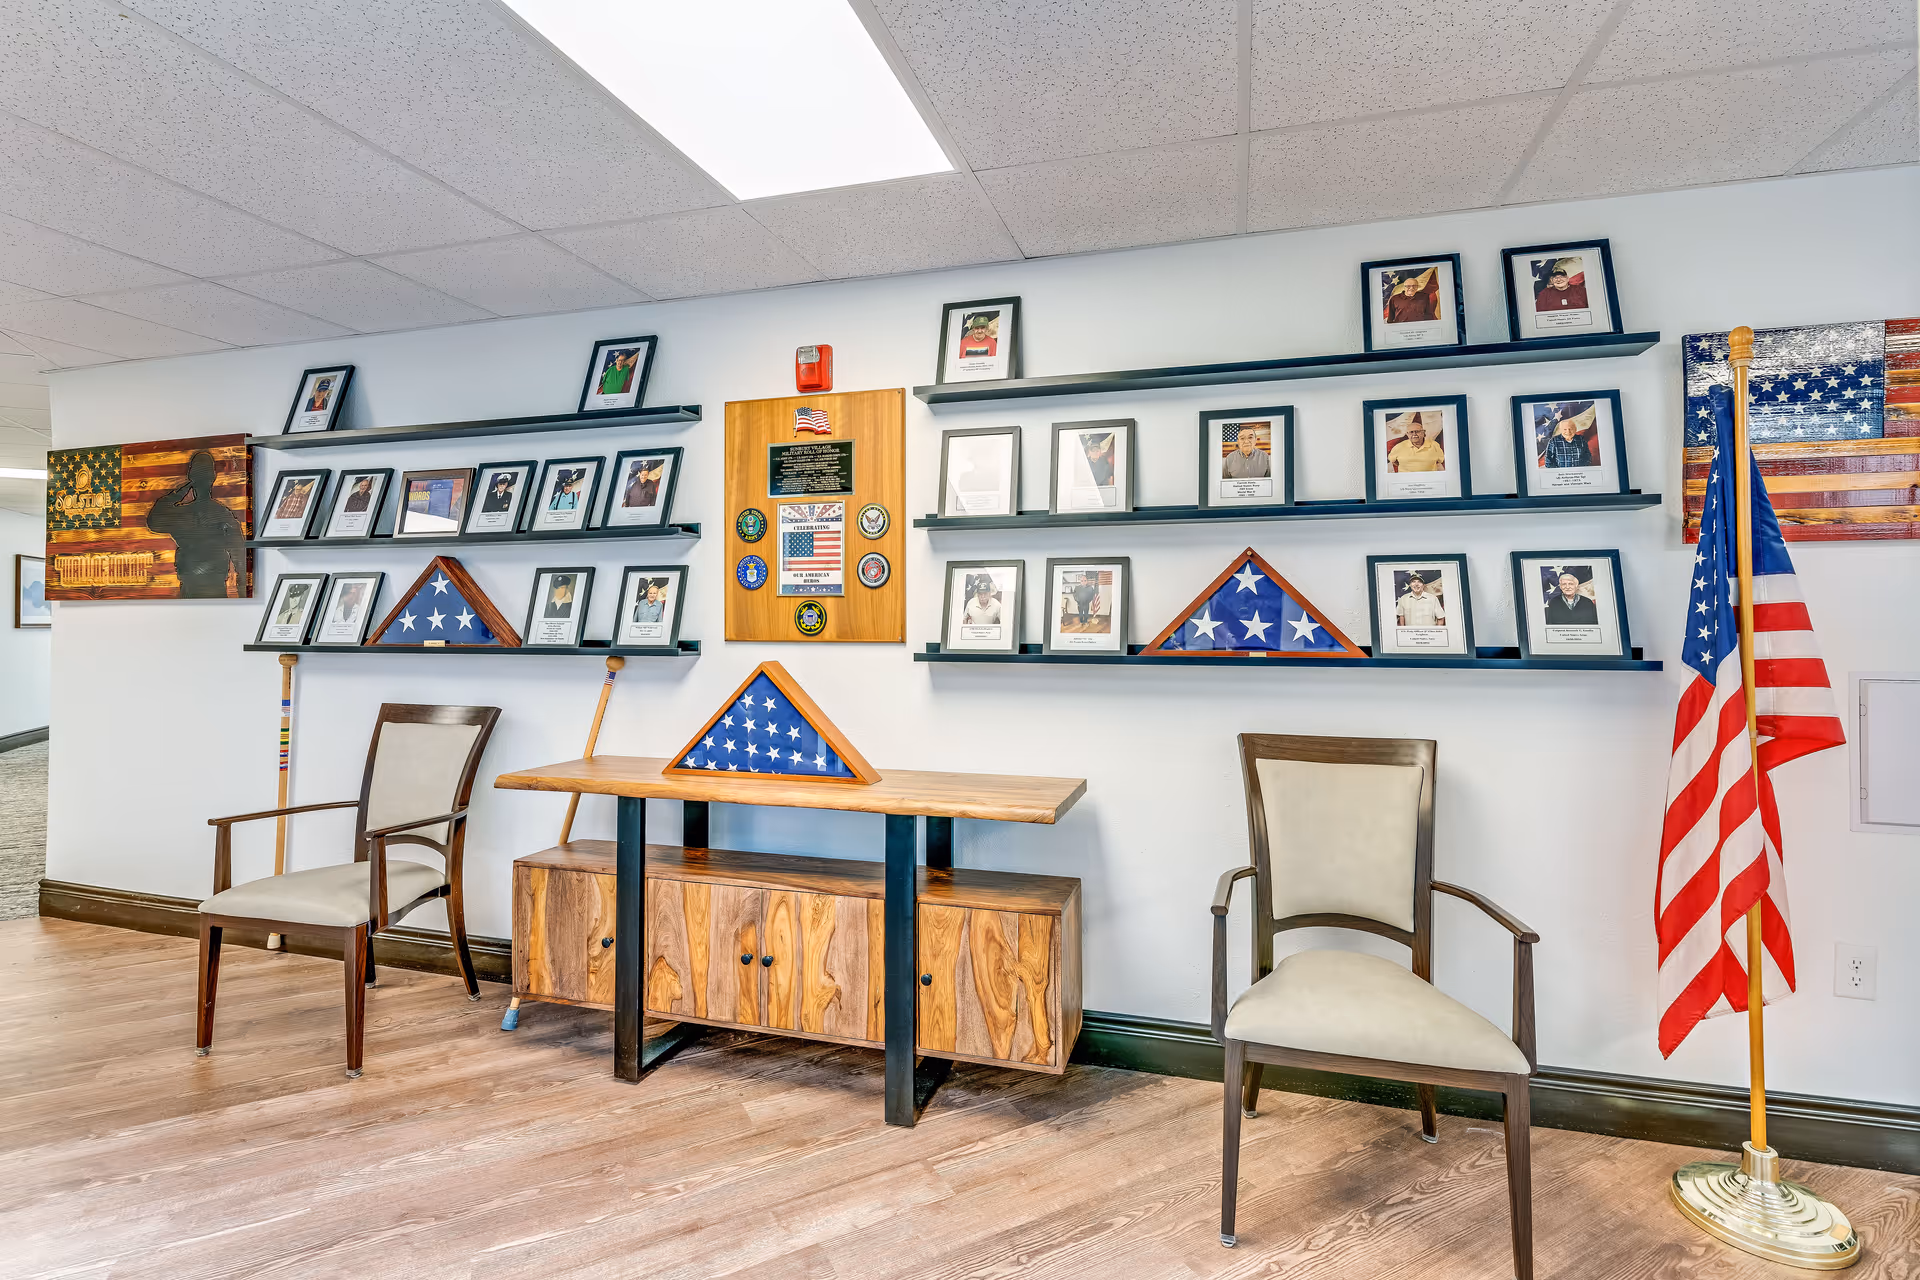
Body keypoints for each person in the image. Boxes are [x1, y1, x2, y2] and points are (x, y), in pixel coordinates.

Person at [145, 448, 243, 598]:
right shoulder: (223, 514)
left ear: (191, 476)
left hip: (205, 588)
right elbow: (240, 559)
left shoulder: (189, 514)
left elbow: (154, 520)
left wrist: (177, 494)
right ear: (213, 477)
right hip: (201, 587)